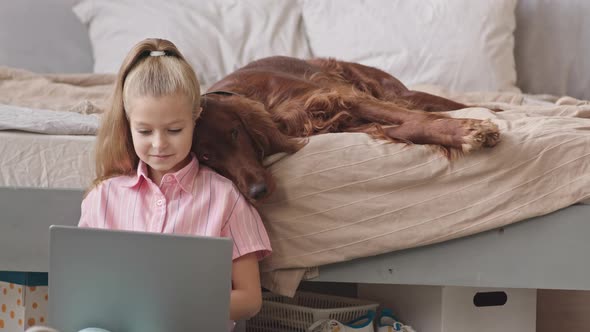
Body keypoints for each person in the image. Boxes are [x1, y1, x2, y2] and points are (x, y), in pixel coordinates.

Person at [78, 38, 271, 328]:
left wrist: (173, 306)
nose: (159, 144)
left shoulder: (224, 198)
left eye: (174, 129)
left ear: (196, 118)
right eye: (144, 131)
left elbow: (249, 299)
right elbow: (84, 290)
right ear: (128, 123)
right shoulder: (102, 198)